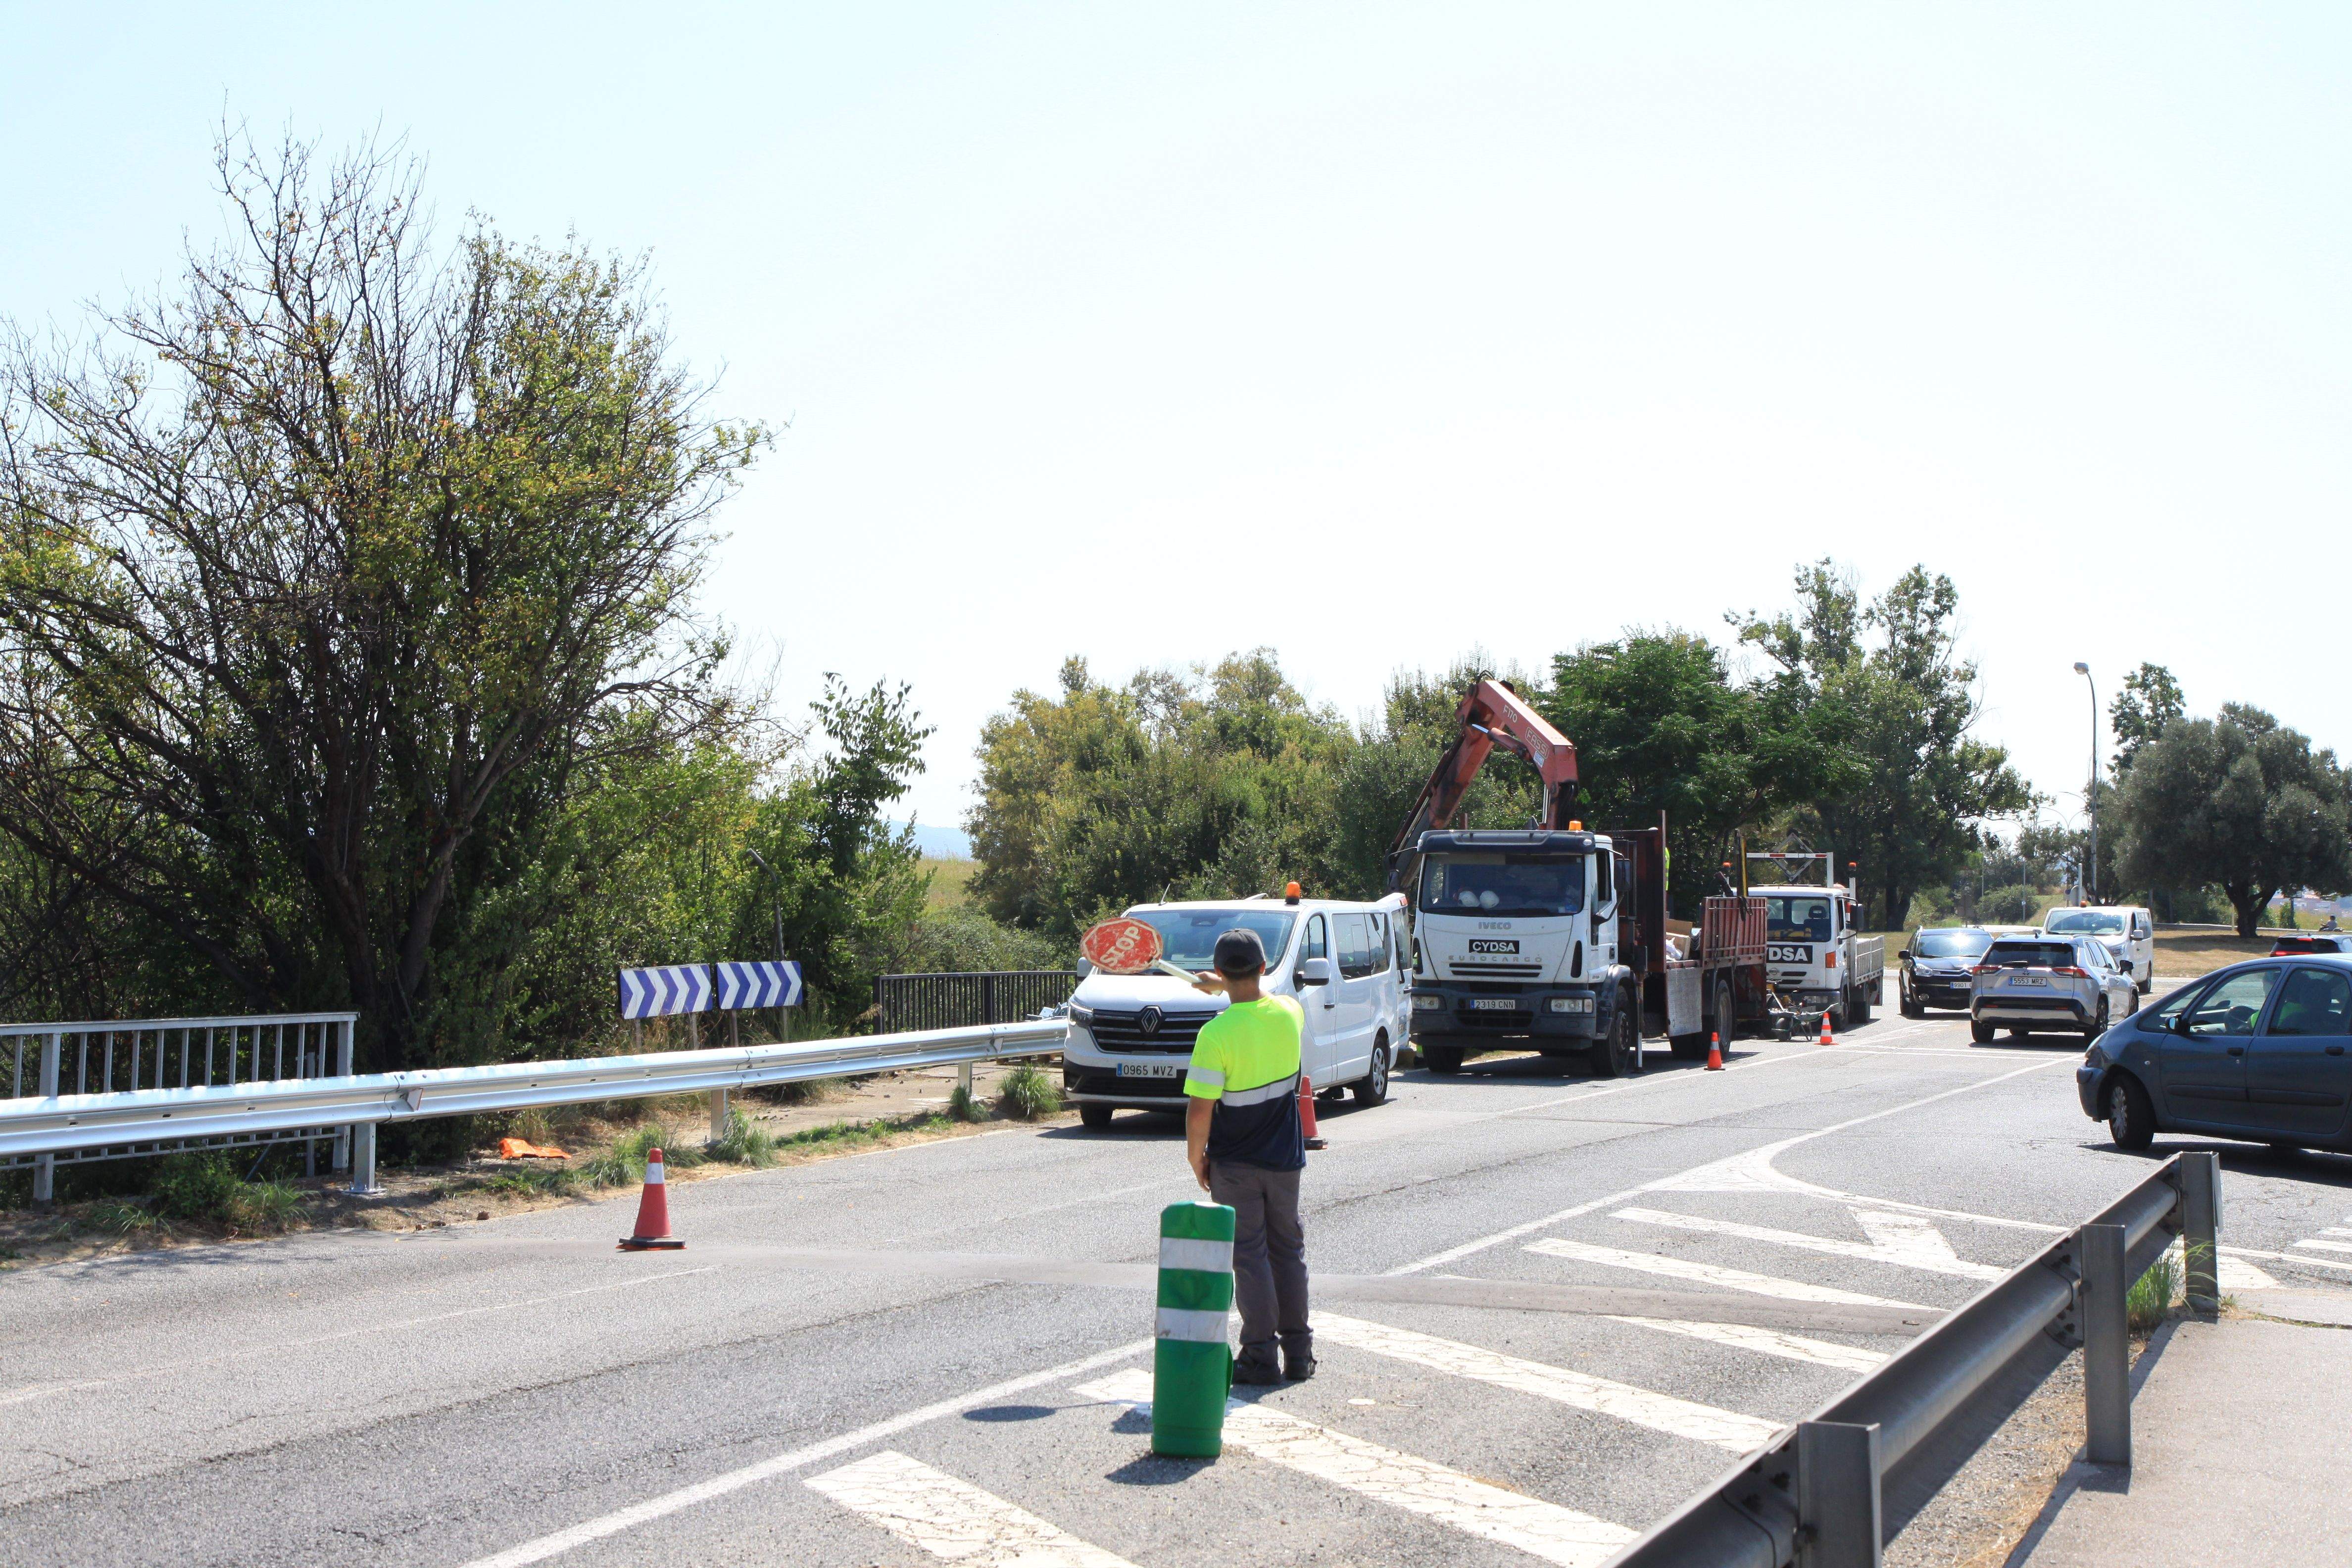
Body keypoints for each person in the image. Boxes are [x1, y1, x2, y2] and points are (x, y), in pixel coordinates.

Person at [1182, 927, 1313, 1385]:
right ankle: (1300, 1353)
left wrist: (1196, 1159)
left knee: (1250, 1256)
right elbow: (1267, 997)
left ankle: (1260, 1354)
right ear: (1262, 967)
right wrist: (1228, 985)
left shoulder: (1214, 1035)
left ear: (1219, 971)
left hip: (1236, 1164)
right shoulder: (1290, 1014)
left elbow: (1200, 1112)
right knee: (1288, 1251)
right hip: (1286, 1160)